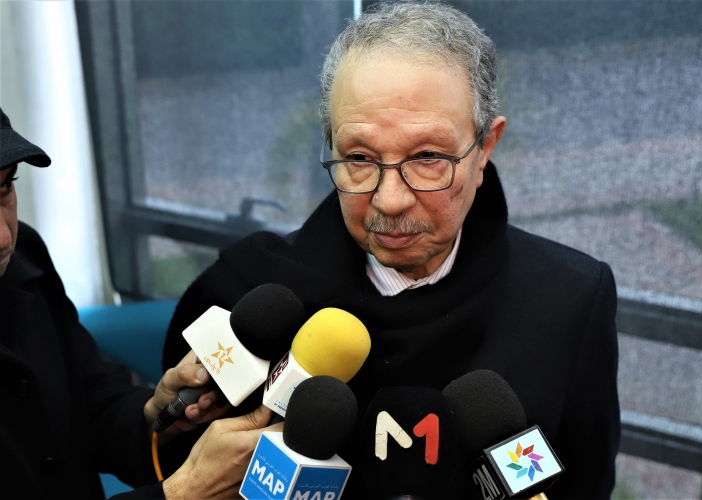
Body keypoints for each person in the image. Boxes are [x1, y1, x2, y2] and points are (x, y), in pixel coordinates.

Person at [162, 2, 620, 498]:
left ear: (485, 147)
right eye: (359, 158)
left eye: (427, 157)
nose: (390, 200)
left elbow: (586, 482)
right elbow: (170, 460)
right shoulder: (244, 291)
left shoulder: (569, 299)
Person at [0, 107, 281, 499]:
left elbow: (90, 401)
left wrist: (154, 415)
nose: (4, 237)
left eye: (5, 188)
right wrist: (184, 492)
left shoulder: (25, 254)